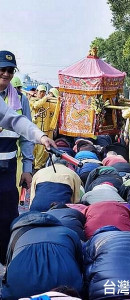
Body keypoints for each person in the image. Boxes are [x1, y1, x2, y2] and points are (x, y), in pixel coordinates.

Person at [0, 50, 56, 264]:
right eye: (1, 70)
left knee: (7, 214)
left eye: (9, 71)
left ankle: (6, 262)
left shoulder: (18, 100)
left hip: (8, 166)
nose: (5, 74)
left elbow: (15, 121)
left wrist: (40, 136)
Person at [2, 211, 83, 299]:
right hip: (66, 287)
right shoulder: (69, 232)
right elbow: (80, 263)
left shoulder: (16, 234)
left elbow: (8, 264)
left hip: (20, 290)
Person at [30, 85, 56, 171]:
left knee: (41, 150)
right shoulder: (32, 100)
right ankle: (33, 163)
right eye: (40, 92)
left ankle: (38, 166)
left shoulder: (49, 102)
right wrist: (45, 98)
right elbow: (36, 106)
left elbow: (55, 111)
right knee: (33, 149)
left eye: (44, 92)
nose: (42, 94)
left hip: (44, 130)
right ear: (36, 92)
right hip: (34, 129)